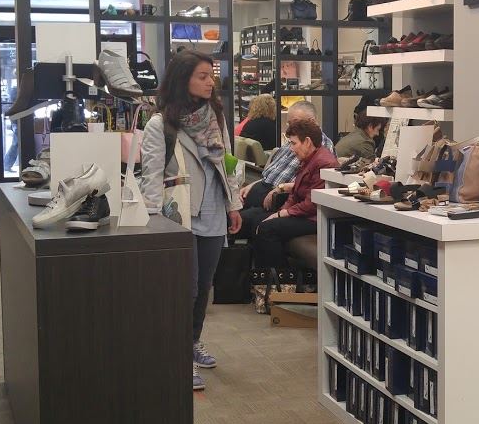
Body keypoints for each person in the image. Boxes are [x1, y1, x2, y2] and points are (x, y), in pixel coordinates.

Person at [137, 51, 241, 393]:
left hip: (213, 210)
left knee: (204, 287)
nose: (211, 82)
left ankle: (193, 341)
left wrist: (234, 205)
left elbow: (227, 162)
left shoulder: (216, 117)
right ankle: (179, 354)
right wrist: (154, 220)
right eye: (202, 76)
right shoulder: (161, 124)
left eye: (211, 75)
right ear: (183, 80)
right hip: (178, 214)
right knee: (186, 287)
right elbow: (151, 175)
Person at [237, 118, 336, 269]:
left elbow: (312, 204)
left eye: (294, 143)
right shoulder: (308, 159)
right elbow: (295, 193)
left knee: (267, 229)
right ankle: (262, 276)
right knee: (257, 221)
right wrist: (282, 211)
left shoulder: (323, 163)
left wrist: (282, 213)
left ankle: (280, 278)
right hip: (305, 214)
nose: (291, 148)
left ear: (307, 142)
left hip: (315, 218)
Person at [239, 100, 333, 214]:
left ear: (311, 121)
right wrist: (253, 185)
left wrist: (281, 189)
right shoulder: (292, 142)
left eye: (296, 122)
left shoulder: (322, 147)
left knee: (241, 218)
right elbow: (272, 172)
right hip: (264, 188)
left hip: (279, 197)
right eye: (289, 123)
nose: (291, 127)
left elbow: (310, 186)